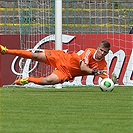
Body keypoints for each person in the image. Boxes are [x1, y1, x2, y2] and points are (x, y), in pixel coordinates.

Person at [0, 40, 117, 85]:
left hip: (66, 72)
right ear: (97, 48)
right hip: (61, 58)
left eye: (105, 52)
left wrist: (111, 81)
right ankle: (6, 51)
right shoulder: (89, 52)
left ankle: (28, 80)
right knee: (35, 56)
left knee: (48, 81)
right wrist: (96, 72)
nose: (102, 53)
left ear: (107, 53)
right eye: (101, 50)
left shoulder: (103, 65)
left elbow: (106, 81)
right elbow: (83, 68)